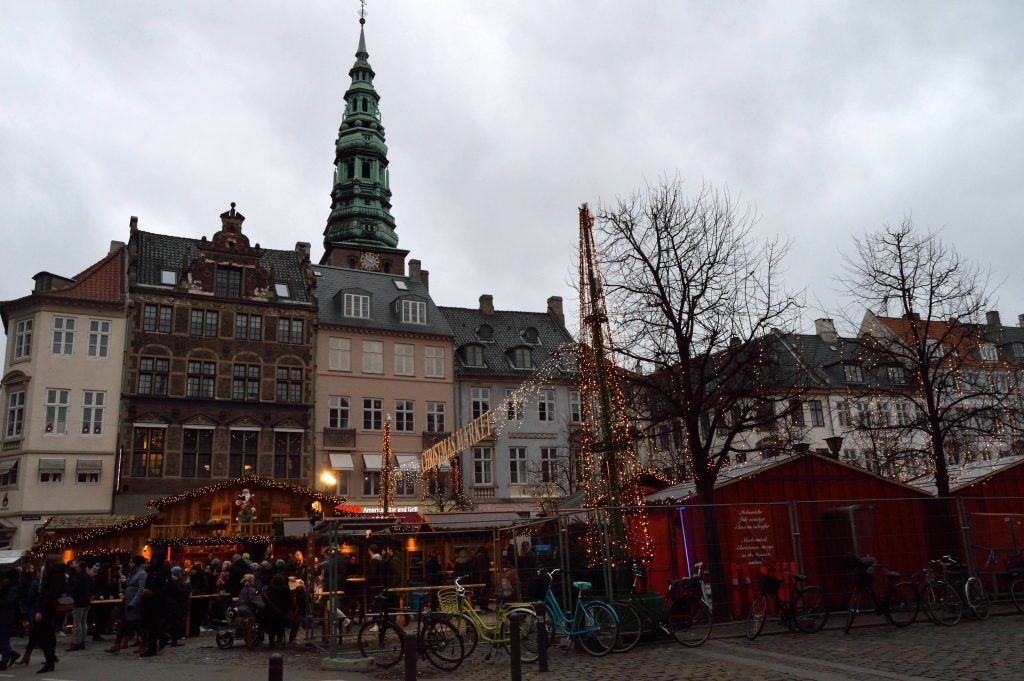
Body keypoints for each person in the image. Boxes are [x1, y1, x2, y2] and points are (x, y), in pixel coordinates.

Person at [33, 555, 66, 673]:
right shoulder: (59, 574)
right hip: (51, 607)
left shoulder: (55, 575)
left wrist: (40, 610)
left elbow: (50, 594)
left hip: (49, 608)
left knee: (43, 635)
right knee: (48, 635)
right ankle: (50, 660)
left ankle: (49, 660)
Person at [108, 556, 146, 654]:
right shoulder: (131, 573)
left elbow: (140, 590)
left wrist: (133, 603)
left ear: (136, 563)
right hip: (127, 601)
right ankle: (117, 644)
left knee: (137, 624)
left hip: (134, 603)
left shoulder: (142, 574)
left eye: (131, 562)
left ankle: (145, 643)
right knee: (123, 623)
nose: (129, 564)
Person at [140, 554, 171, 657]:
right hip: (147, 600)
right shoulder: (150, 569)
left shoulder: (164, 570)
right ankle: (162, 637)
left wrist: (154, 593)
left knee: (153, 625)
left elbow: (167, 587)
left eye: (155, 559)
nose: (153, 560)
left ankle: (152, 648)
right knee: (147, 624)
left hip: (158, 601)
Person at [67, 560, 93, 651]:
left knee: (77, 623)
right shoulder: (89, 577)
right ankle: (82, 641)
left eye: (77, 566)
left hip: (78, 602)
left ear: (79, 567)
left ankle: (77, 642)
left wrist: (70, 591)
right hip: (86, 601)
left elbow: (75, 590)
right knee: (83, 622)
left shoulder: (78, 577)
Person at [0, 569, 21, 669]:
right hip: (5, 614)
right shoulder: (7, 587)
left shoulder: (13, 587)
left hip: (7, 615)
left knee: (3, 637)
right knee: (3, 638)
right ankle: (11, 654)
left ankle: (5, 659)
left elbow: (9, 602)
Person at [471, 544, 492, 612]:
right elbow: (482, 569)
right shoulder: (481, 556)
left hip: (479, 578)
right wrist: (481, 579)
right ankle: (483, 607)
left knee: (482, 593)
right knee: (484, 593)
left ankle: (483, 607)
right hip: (483, 578)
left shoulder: (477, 556)